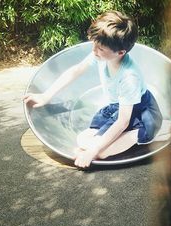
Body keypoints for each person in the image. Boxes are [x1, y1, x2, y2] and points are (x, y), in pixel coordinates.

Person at [23, 11, 162, 168]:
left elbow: (123, 122)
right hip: (119, 109)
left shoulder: (129, 77)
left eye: (100, 48)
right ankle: (104, 143)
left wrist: (93, 151)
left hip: (141, 115)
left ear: (121, 52)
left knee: (100, 153)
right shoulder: (101, 55)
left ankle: (144, 133)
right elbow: (76, 70)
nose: (94, 50)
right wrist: (45, 96)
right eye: (94, 44)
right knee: (82, 140)